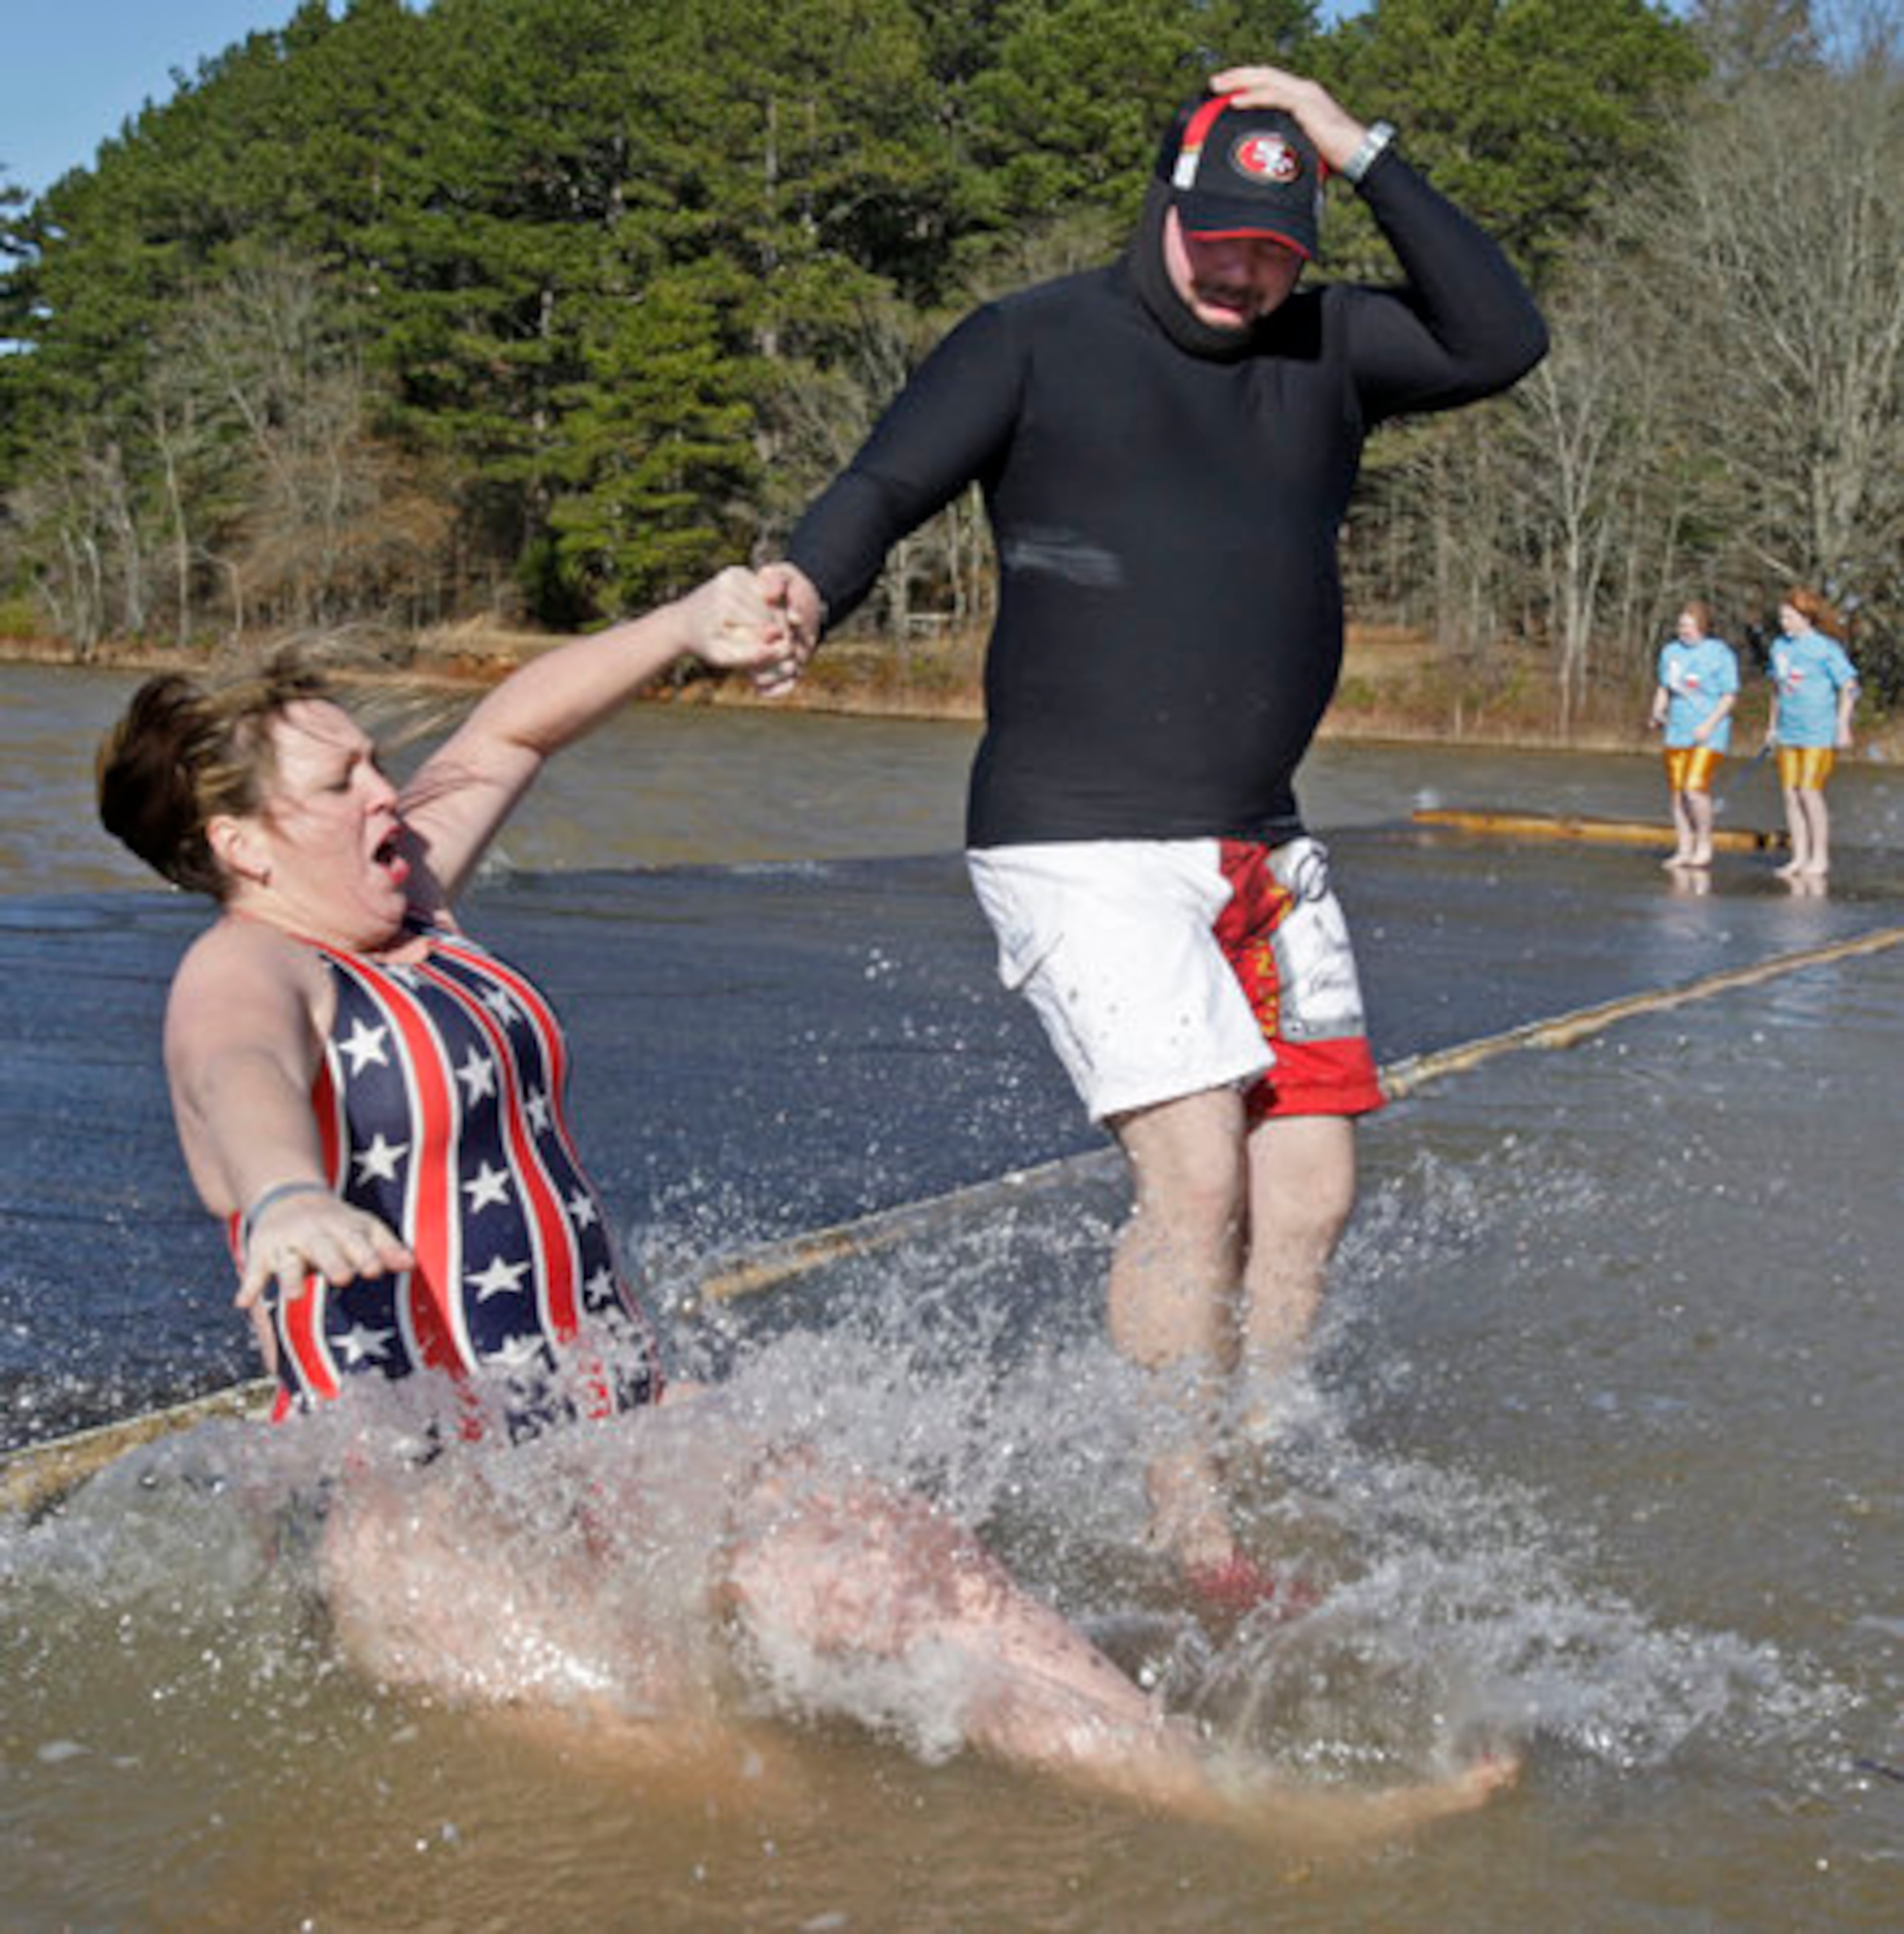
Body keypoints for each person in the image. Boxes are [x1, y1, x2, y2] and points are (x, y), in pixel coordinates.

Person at [93, 571, 1513, 1836]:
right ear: (242, 843)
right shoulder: (250, 967)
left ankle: (1230, 1795)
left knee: (930, 1579)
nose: (386, 795)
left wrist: (685, 627)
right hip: (412, 1500)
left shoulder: (417, 910)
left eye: (377, 764)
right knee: (706, 1769)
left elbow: (513, 728)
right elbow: (234, 1076)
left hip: (622, 1425)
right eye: (341, 781)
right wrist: (285, 1194)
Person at [758, 64, 1547, 1599]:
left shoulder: (1326, 345)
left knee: (1307, 1194)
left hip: (1257, 840)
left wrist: (1355, 147)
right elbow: (883, 482)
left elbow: (1499, 337)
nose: (1246, 271)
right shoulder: (1032, 339)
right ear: (1164, 204)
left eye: (1277, 244)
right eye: (1221, 237)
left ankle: (1257, 1450)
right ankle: (1184, 1515)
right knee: (1196, 1178)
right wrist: (802, 585)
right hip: (1076, 839)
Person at [1765, 587, 1858, 880]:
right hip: (1788, 733)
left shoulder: (1825, 648)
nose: (1784, 623)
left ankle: (1820, 857)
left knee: (1809, 791)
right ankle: (1799, 857)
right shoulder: (1779, 647)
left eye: (1790, 617)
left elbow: (1850, 687)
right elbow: (1777, 690)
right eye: (1782, 617)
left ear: (1806, 617)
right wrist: (1772, 726)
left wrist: (1843, 725)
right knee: (1790, 795)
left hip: (1819, 733)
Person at [1648, 601, 1739, 870]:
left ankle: (1704, 843)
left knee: (1694, 788)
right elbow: (1664, 688)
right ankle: (1684, 848)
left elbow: (1730, 696)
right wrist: (1657, 712)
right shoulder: (1671, 653)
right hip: (1677, 730)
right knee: (1678, 793)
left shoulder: (1719, 654)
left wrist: (1709, 725)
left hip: (1709, 733)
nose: (1683, 631)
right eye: (1681, 626)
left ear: (1702, 626)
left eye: (1689, 626)